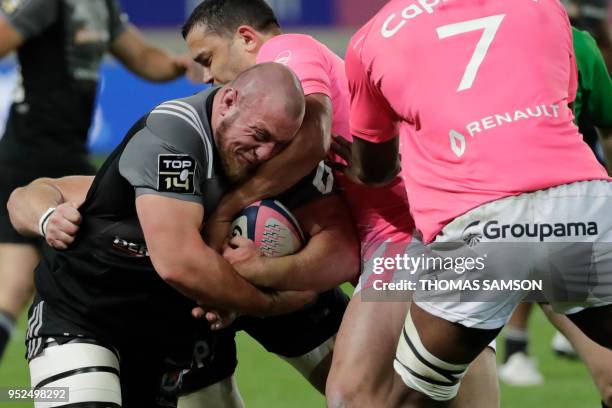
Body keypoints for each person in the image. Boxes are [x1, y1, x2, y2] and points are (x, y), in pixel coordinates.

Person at [180, 1, 499, 407]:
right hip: (435, 230)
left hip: (413, 234)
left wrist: (230, 208)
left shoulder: (287, 50)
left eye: (208, 59)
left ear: (246, 38)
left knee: (352, 394)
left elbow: (315, 131)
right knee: (443, 388)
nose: (207, 76)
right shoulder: (276, 123)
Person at [342, 0, 612, 405]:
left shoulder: (371, 38)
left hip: (479, 224)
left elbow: (374, 170)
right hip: (581, 204)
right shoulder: (543, 6)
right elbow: (563, 106)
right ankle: (519, 349)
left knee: (409, 396)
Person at [7, 62, 313, 407]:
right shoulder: (171, 141)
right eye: (259, 136)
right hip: (79, 321)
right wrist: (48, 217)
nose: (265, 154)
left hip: (163, 345)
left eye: (278, 145)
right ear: (227, 101)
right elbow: (178, 264)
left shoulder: (255, 162)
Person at [0, 0, 198, 362]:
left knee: (15, 288)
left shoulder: (101, 6)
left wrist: (179, 64)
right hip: (28, 152)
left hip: (69, 151)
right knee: (31, 284)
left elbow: (142, 57)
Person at [500, 26, 612, 393]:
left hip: (561, 214)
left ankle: (522, 346)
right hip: (490, 216)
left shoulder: (578, 44)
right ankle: (517, 347)